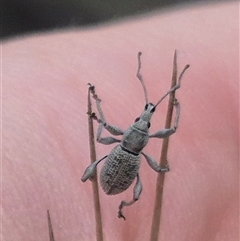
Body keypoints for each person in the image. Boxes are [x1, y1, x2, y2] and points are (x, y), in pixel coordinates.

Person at [2, 1, 238, 240]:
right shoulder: (137, 147)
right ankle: (123, 204)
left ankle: (123, 205)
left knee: (104, 138)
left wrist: (98, 110)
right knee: (110, 149)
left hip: (120, 160)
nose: (144, 119)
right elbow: (168, 136)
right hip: (122, 162)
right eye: (142, 120)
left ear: (143, 133)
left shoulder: (123, 142)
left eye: (144, 122)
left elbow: (104, 129)